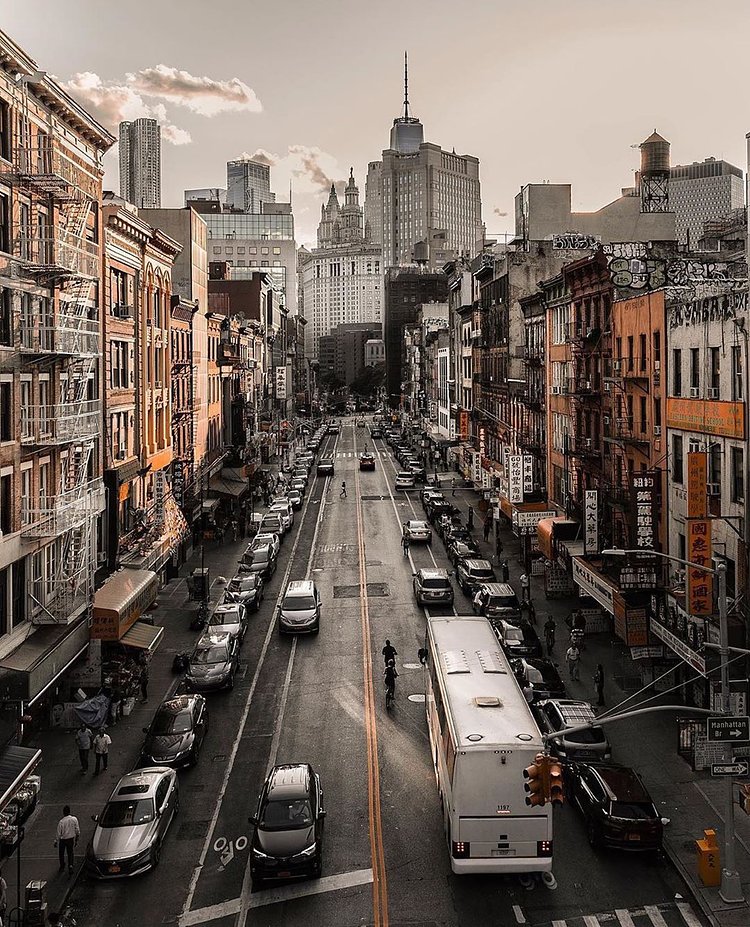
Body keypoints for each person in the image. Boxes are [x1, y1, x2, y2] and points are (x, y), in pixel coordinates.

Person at [56, 806, 80, 875]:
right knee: (70, 852)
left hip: (63, 840)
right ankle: (70, 865)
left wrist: (56, 841)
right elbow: (77, 830)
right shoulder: (74, 819)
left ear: (63, 812)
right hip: (70, 839)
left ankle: (62, 865)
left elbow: (58, 833)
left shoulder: (61, 822)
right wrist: (77, 839)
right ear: (69, 811)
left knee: (61, 853)